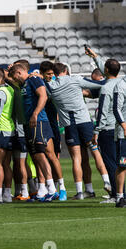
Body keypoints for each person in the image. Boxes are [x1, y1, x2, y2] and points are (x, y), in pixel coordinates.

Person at [42, 62, 109, 200]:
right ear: (66, 70)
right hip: (85, 122)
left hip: (69, 125)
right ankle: (107, 183)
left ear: (54, 73)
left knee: (77, 158)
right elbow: (99, 85)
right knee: (95, 152)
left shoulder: (51, 86)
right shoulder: (76, 79)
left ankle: (81, 192)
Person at [9, 63, 58, 202]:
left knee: (41, 154)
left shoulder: (34, 79)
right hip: (29, 123)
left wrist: (35, 114)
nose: (15, 80)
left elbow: (43, 96)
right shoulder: (24, 84)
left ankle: (52, 188)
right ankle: (42, 189)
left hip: (38, 121)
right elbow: (7, 78)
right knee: (36, 155)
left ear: (19, 73)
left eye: (15, 76)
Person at [86, 47, 123, 203]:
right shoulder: (122, 82)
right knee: (120, 162)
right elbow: (110, 72)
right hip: (119, 128)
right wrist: (95, 57)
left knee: (111, 164)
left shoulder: (106, 88)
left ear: (106, 71)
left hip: (107, 129)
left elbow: (102, 112)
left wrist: (96, 131)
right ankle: (119, 194)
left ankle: (116, 195)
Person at [39, 61, 67, 200]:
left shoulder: (51, 85)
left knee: (54, 156)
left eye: (52, 74)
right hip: (42, 124)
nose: (51, 76)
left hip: (52, 126)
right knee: (41, 156)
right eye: (48, 74)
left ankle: (61, 187)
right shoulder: (39, 84)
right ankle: (48, 188)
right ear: (43, 74)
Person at [0, 68, 16, 203]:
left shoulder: (0, 93)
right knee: (6, 164)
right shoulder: (10, 90)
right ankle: (7, 193)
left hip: (0, 130)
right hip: (10, 129)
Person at [112, 76, 126, 207]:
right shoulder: (121, 85)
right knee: (123, 165)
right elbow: (116, 108)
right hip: (123, 134)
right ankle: (120, 197)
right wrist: (124, 125)